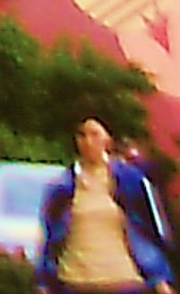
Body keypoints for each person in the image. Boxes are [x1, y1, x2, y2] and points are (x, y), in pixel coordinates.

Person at [37, 117, 173, 292]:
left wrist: (160, 279)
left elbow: (151, 230)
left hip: (122, 281)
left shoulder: (130, 180)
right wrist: (44, 282)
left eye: (95, 134)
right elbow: (50, 237)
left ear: (107, 139)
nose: (88, 141)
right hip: (75, 282)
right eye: (82, 135)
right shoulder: (62, 187)